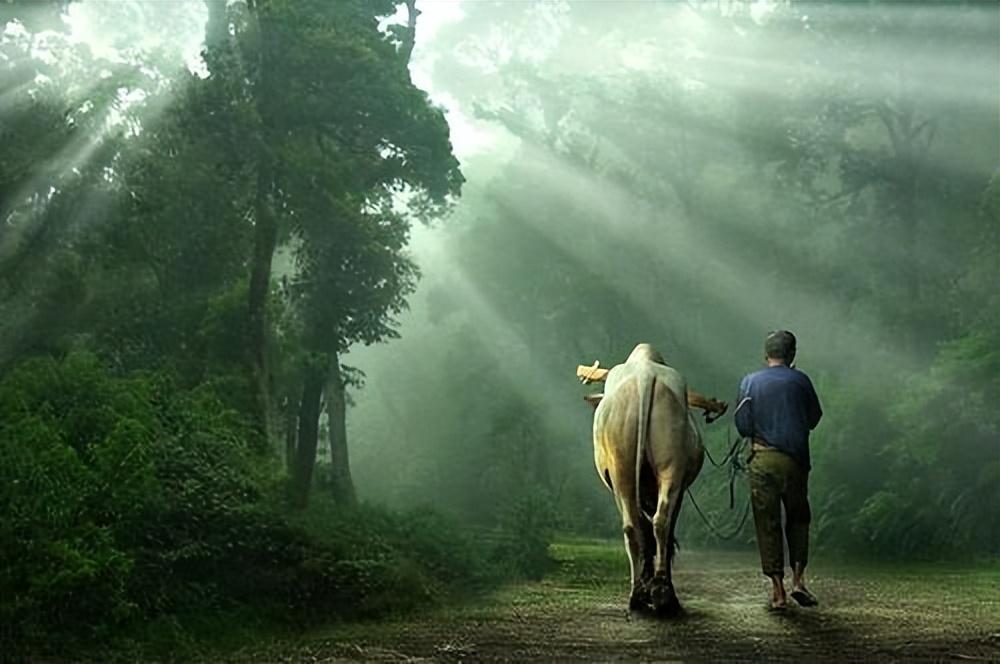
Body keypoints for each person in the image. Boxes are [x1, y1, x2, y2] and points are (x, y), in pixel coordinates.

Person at [735, 330, 822, 611]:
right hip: (795, 461)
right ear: (792, 354)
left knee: (767, 523)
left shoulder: (750, 382)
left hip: (763, 460)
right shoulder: (801, 381)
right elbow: (813, 419)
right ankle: (799, 580)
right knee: (798, 518)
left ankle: (778, 591)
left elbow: (743, 425)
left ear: (766, 355)